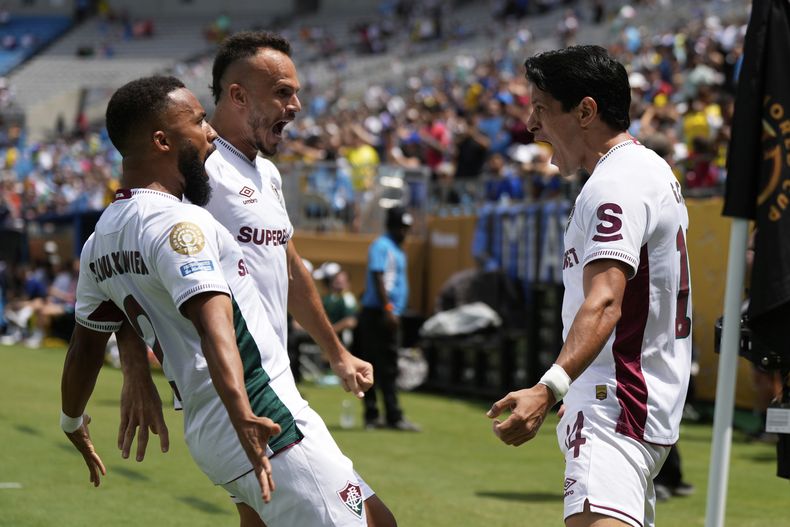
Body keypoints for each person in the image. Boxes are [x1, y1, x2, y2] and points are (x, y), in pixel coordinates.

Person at [61, 75, 374, 526]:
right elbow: (213, 325)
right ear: (162, 141)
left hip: (210, 429)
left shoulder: (99, 241)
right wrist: (244, 413)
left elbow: (86, 347)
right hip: (260, 414)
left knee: (377, 519)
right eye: (199, 121)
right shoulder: (178, 223)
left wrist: (71, 421)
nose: (210, 133)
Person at [487, 46, 692, 527]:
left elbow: (604, 302)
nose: (531, 125)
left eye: (540, 108)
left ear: (585, 111)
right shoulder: (646, 169)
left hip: (614, 406)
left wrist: (549, 388)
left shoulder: (615, 182)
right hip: (626, 402)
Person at [355, 206, 420, 432]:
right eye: (401, 227)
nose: (405, 232)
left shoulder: (398, 249)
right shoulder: (382, 246)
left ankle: (390, 415)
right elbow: (378, 275)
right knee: (373, 365)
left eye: (406, 227)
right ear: (391, 226)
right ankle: (375, 415)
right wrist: (389, 308)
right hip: (379, 314)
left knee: (389, 366)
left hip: (388, 313)